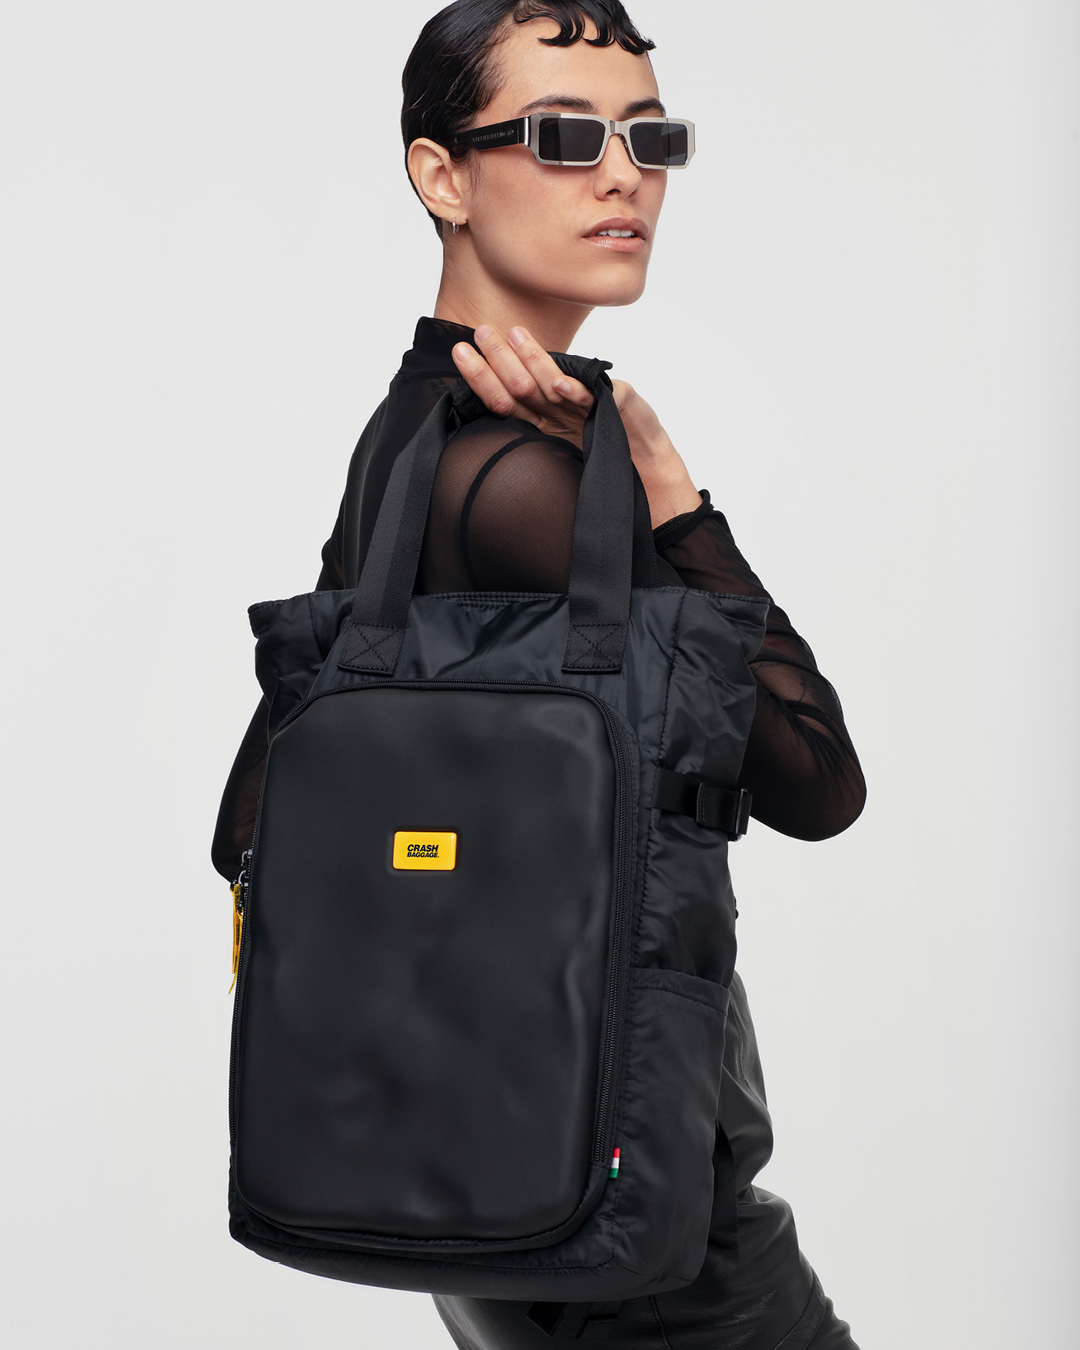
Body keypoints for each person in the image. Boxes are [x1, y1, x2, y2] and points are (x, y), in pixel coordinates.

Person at [214, 2, 867, 1345]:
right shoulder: (521, 475)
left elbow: (253, 820)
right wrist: (676, 501)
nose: (624, 176)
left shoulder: (407, 437)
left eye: (650, 137)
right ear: (441, 175)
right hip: (651, 1243)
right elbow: (818, 779)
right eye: (565, 137)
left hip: (490, 1200)